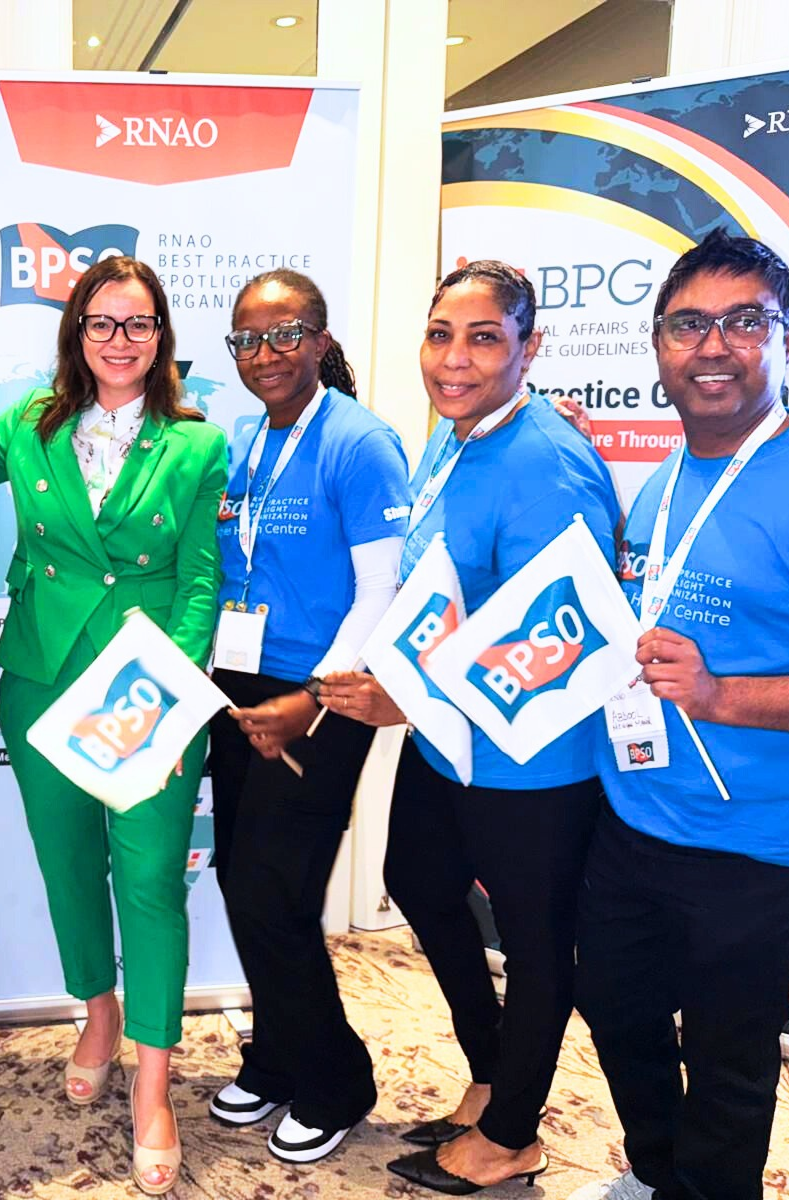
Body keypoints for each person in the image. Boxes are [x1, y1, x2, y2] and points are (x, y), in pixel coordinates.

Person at [565, 231, 789, 1200]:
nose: (712, 346)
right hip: (638, 819)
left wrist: (718, 697)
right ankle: (659, 1172)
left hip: (765, 848)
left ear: (786, 338)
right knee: (615, 1008)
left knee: (727, 1056)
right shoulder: (661, 484)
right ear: (658, 346)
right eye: (687, 324)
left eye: (742, 321)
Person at [322, 260, 620, 1195]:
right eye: (441, 333)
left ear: (529, 347)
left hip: (535, 757)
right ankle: (492, 1071)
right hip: (450, 742)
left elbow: (562, 640)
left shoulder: (548, 462)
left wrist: (408, 699)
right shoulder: (450, 437)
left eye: (485, 337)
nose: (455, 358)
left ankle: (514, 1133)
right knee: (416, 875)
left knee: (537, 943)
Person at [0, 255, 228, 1196]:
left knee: (153, 881)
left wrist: (171, 679)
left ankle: (153, 1087)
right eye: (102, 323)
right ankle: (100, 1013)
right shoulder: (24, 427)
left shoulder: (197, 445)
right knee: (68, 865)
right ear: (76, 333)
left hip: (148, 688)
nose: (120, 340)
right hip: (41, 682)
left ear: (161, 338)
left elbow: (201, 576)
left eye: (140, 323)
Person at [204, 269, 410, 1163]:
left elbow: (383, 590)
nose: (266, 355)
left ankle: (336, 1077)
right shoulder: (245, 439)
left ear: (322, 340)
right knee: (240, 882)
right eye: (247, 340)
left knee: (273, 892)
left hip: (319, 699)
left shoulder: (361, 444)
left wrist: (311, 700)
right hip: (240, 689)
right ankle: (279, 1054)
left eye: (285, 334)